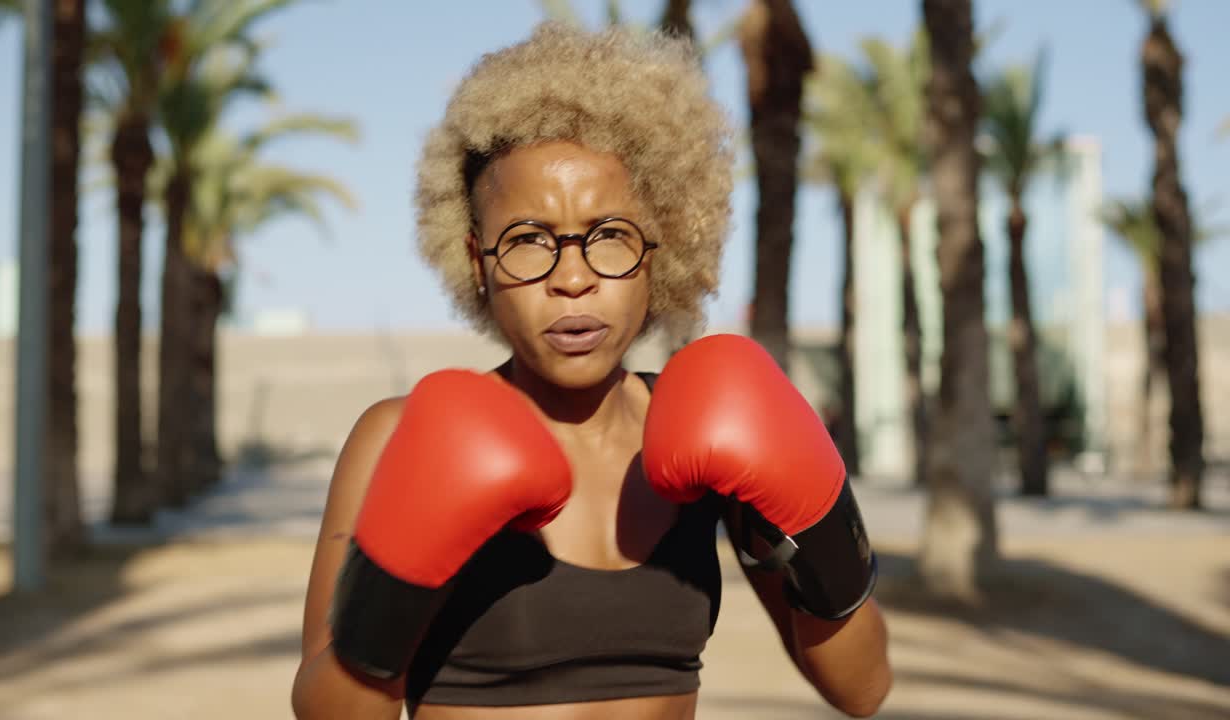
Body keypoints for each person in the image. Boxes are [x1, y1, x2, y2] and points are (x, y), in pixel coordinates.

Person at [292, 21, 891, 720]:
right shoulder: (398, 436)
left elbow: (862, 689)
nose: (571, 278)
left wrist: (825, 537)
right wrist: (394, 592)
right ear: (477, 261)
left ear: (658, 249)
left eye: (609, 236)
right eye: (528, 242)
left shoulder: (712, 427)